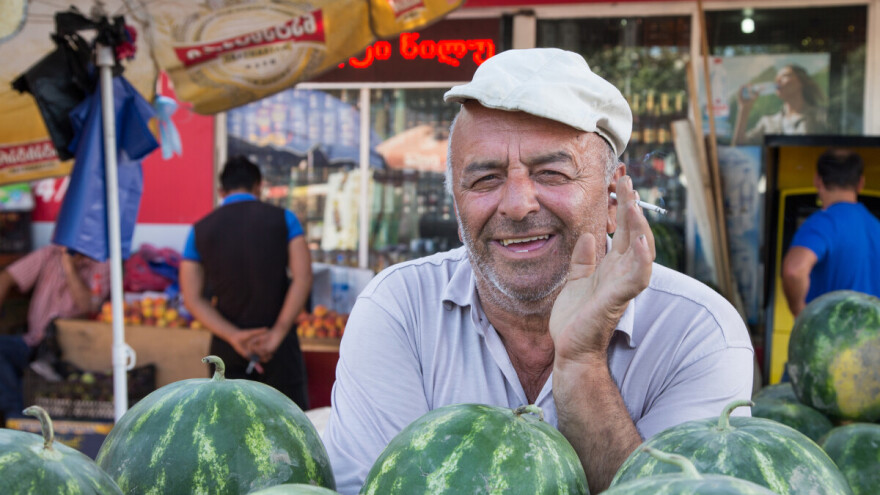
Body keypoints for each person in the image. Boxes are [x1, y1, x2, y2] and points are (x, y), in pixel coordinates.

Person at [322, 48, 754, 494]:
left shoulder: (698, 332)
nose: (517, 204)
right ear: (456, 202)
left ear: (614, 197)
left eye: (551, 173)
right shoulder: (399, 311)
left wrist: (582, 364)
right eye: (485, 179)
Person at [179, 155, 313, 409]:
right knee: (288, 432)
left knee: (231, 433)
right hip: (280, 349)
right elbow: (303, 277)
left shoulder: (199, 230)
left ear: (221, 191)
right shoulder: (285, 220)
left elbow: (192, 298)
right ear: (258, 186)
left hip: (226, 351)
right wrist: (276, 334)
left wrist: (235, 336)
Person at [0, 245, 109, 423]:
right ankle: (17, 418)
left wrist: (68, 265)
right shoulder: (49, 253)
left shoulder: (103, 263)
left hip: (70, 354)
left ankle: (23, 420)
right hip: (33, 343)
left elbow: (89, 306)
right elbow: (5, 278)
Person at [782, 149, 880, 317]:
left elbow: (794, 271)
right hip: (871, 338)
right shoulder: (875, 226)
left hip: (832, 337)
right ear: (861, 183)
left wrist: (800, 312)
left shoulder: (823, 223)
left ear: (817, 180)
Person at [731, 64, 827, 146]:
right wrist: (744, 109)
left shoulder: (821, 115)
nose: (777, 81)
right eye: (776, 78)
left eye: (785, 76)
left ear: (801, 82)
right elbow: (739, 147)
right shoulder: (767, 122)